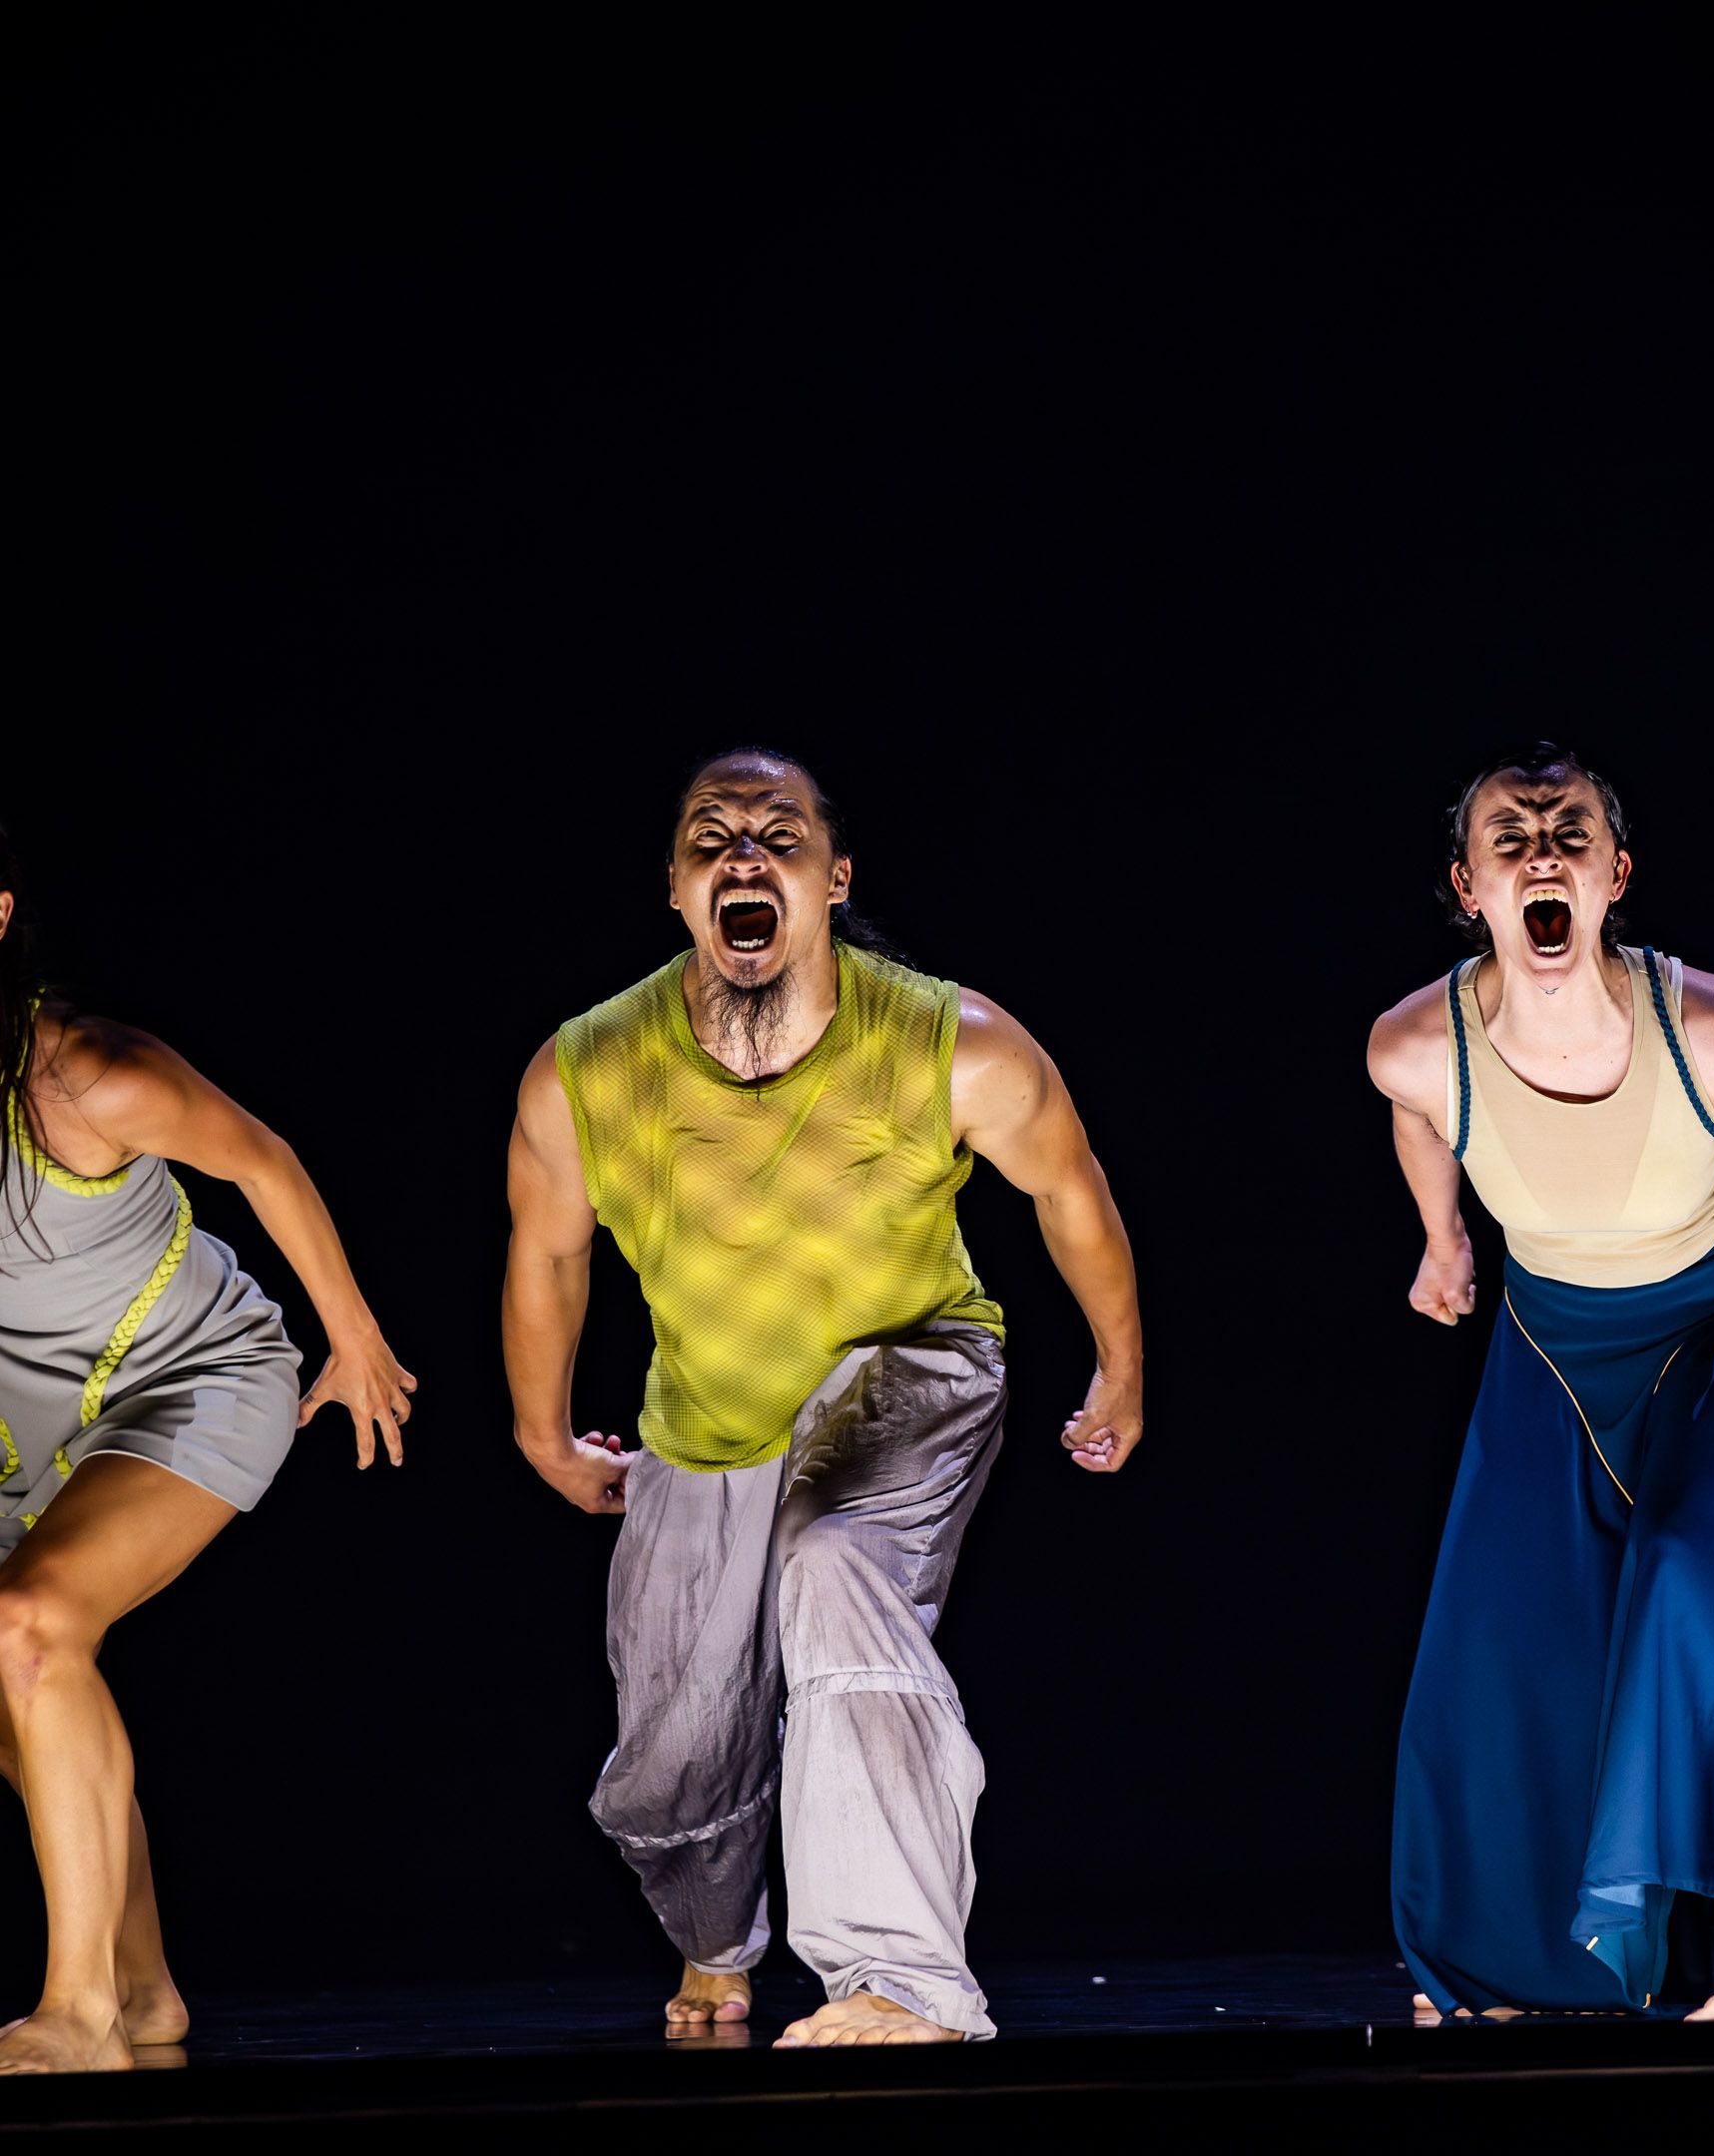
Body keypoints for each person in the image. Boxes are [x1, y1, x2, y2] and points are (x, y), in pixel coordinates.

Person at [502, 749, 1146, 2047]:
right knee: (672, 1761)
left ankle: (899, 1981)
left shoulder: (950, 1042)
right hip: (709, 1426)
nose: (744, 855)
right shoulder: (583, 1073)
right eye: (711, 839)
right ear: (678, 892)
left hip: (911, 1365)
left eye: (777, 836)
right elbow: (548, 1258)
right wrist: (541, 1432)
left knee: (835, 1559)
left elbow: (1070, 1190)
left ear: (832, 879)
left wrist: (1119, 1366)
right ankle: (714, 1945)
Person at [1369, 744, 1714, 2020]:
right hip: (1553, 1344)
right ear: (1468, 886)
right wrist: (1441, 1238)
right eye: (1513, 835)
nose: (1542, 849)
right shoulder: (1411, 1047)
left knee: (1701, 1581)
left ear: (1615, 875)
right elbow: (1421, 1117)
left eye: (1570, 831)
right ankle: (1519, 1968)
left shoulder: (1708, 1025)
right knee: (1501, 1643)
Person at [0, 823, 416, 2075]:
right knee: (16, 1692)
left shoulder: (84, 1077)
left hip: (186, 1375)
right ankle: (144, 1988)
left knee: (29, 1623)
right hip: (24, 1413)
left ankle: (76, 2013)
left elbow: (265, 1162)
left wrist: (354, 1339)